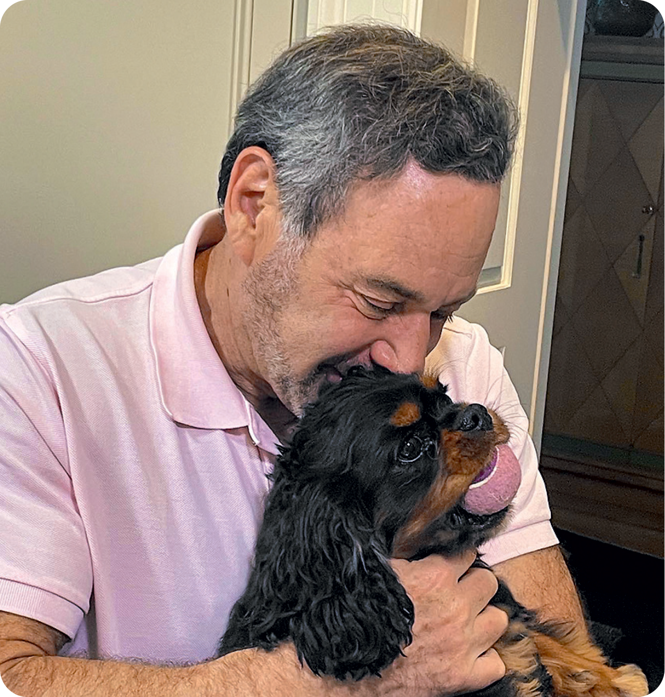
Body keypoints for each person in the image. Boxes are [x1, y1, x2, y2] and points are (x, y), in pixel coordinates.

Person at [0, 24, 586, 697]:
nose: (408, 354)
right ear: (254, 203)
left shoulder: (463, 363)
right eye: (375, 298)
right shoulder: (34, 370)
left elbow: (562, 654)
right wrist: (328, 680)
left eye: (444, 309)